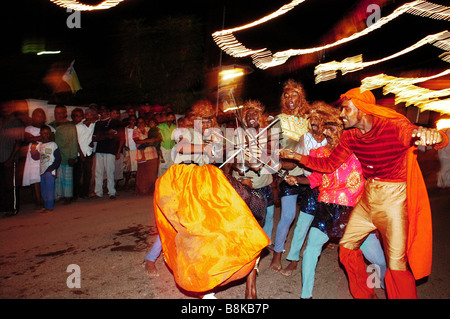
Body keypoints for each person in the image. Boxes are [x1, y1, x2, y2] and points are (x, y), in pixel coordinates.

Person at [280, 87, 448, 299]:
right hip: (366, 199)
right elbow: (330, 164)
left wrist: (437, 136)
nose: (341, 116)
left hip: (393, 200)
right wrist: (298, 157)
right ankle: (366, 295)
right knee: (346, 250)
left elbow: (420, 135)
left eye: (346, 110)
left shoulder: (394, 127)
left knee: (395, 264)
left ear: (363, 110)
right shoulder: (350, 137)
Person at [153, 99, 270, 299]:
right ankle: (200, 285)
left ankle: (232, 281)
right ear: (194, 120)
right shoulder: (186, 133)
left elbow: (225, 164)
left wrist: (240, 172)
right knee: (186, 232)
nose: (206, 124)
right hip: (186, 185)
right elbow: (182, 148)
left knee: (227, 226)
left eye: (209, 120)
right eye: (202, 120)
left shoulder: (218, 137)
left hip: (209, 186)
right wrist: (202, 148)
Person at [283, 106, 386, 298]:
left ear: (344, 131)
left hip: (354, 214)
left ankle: (380, 285)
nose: (326, 132)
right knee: (310, 251)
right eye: (326, 128)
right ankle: (306, 296)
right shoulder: (319, 153)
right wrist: (297, 180)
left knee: (378, 259)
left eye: (332, 128)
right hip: (326, 210)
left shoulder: (359, 152)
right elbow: (317, 178)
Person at [279, 101, 330, 276]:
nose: (314, 121)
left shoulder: (333, 139)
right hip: (311, 183)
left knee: (329, 223)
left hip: (331, 189)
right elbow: (297, 161)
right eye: (312, 118)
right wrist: (291, 174)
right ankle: (293, 259)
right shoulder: (305, 138)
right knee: (302, 223)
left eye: (318, 118)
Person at [270, 79, 312, 272]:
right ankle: (277, 254)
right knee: (287, 217)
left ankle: (293, 258)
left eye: (293, 94)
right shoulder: (278, 120)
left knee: (304, 220)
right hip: (288, 175)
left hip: (310, 175)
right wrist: (279, 168)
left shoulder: (310, 119)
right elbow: (271, 149)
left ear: (301, 96)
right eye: (286, 96)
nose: (289, 98)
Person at [22, 108, 55, 211]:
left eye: (42, 116)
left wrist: (35, 138)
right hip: (33, 157)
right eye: (37, 115)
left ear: (45, 117)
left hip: (46, 157)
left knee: (45, 178)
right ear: (33, 117)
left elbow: (52, 138)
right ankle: (38, 202)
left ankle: (46, 201)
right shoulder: (28, 128)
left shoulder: (50, 128)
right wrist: (42, 137)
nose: (40, 118)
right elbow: (27, 139)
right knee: (35, 180)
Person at [48, 104, 78, 205]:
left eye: (61, 113)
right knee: (57, 177)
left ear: (65, 113)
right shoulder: (51, 125)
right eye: (57, 113)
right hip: (54, 156)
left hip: (66, 155)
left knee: (67, 178)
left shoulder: (70, 125)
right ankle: (58, 196)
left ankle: (68, 196)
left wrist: (72, 156)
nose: (59, 115)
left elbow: (74, 141)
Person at [92, 106, 123, 200]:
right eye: (101, 111)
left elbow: (112, 135)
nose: (103, 112)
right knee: (98, 171)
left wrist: (102, 136)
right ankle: (98, 192)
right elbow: (95, 137)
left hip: (110, 149)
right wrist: (106, 134)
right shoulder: (97, 123)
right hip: (99, 149)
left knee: (110, 171)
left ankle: (111, 192)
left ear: (108, 112)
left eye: (105, 110)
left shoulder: (113, 122)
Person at [0, 101, 25, 217]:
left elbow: (18, 142)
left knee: (11, 185)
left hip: (10, 160)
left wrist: (11, 159)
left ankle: (13, 208)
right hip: (1, 159)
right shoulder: (1, 122)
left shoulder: (16, 122)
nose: (5, 109)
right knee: (2, 186)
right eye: (3, 107)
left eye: (8, 107)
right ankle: (3, 208)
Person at [30, 125, 61, 214]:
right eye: (43, 133)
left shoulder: (53, 145)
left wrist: (51, 168)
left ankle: (50, 207)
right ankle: (46, 206)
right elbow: (36, 157)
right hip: (42, 171)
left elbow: (58, 158)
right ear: (40, 134)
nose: (45, 135)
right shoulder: (40, 145)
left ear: (50, 134)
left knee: (49, 190)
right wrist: (33, 150)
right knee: (44, 191)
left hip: (49, 171)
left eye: (47, 133)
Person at [133, 117, 160, 196]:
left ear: (145, 123)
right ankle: (142, 191)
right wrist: (148, 140)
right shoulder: (136, 131)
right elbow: (137, 141)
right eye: (139, 122)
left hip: (152, 153)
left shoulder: (150, 129)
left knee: (152, 174)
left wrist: (144, 142)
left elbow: (156, 139)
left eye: (142, 122)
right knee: (142, 174)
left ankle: (152, 191)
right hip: (142, 154)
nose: (141, 124)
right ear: (137, 124)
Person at [74, 107, 97, 199]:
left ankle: (85, 193)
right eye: (87, 114)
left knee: (88, 173)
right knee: (78, 174)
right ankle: (75, 194)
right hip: (80, 153)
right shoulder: (78, 126)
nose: (89, 116)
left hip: (89, 152)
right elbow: (76, 141)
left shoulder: (93, 124)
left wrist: (91, 142)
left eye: (90, 114)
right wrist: (81, 153)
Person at [157, 112, 177, 177]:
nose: (170, 118)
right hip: (164, 147)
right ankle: (162, 179)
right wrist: (159, 136)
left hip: (172, 147)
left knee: (171, 164)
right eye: (169, 117)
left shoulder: (175, 126)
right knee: (163, 165)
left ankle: (170, 179)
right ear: (166, 118)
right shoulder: (162, 125)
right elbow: (156, 132)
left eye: (172, 117)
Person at [122, 114, 138, 190]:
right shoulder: (125, 129)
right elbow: (123, 139)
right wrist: (124, 146)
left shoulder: (137, 128)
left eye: (134, 120)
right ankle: (126, 184)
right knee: (127, 168)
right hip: (128, 150)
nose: (133, 121)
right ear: (129, 120)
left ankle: (136, 185)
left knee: (136, 168)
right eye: (131, 120)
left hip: (135, 150)